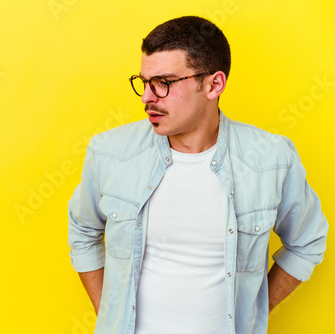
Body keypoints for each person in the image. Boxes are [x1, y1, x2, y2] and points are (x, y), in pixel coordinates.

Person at [67, 15, 328, 334]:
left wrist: (253, 310)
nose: (147, 97)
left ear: (214, 84)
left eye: (163, 83)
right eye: (144, 81)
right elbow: (83, 232)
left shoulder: (271, 158)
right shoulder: (110, 152)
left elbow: (307, 242)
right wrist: (111, 315)